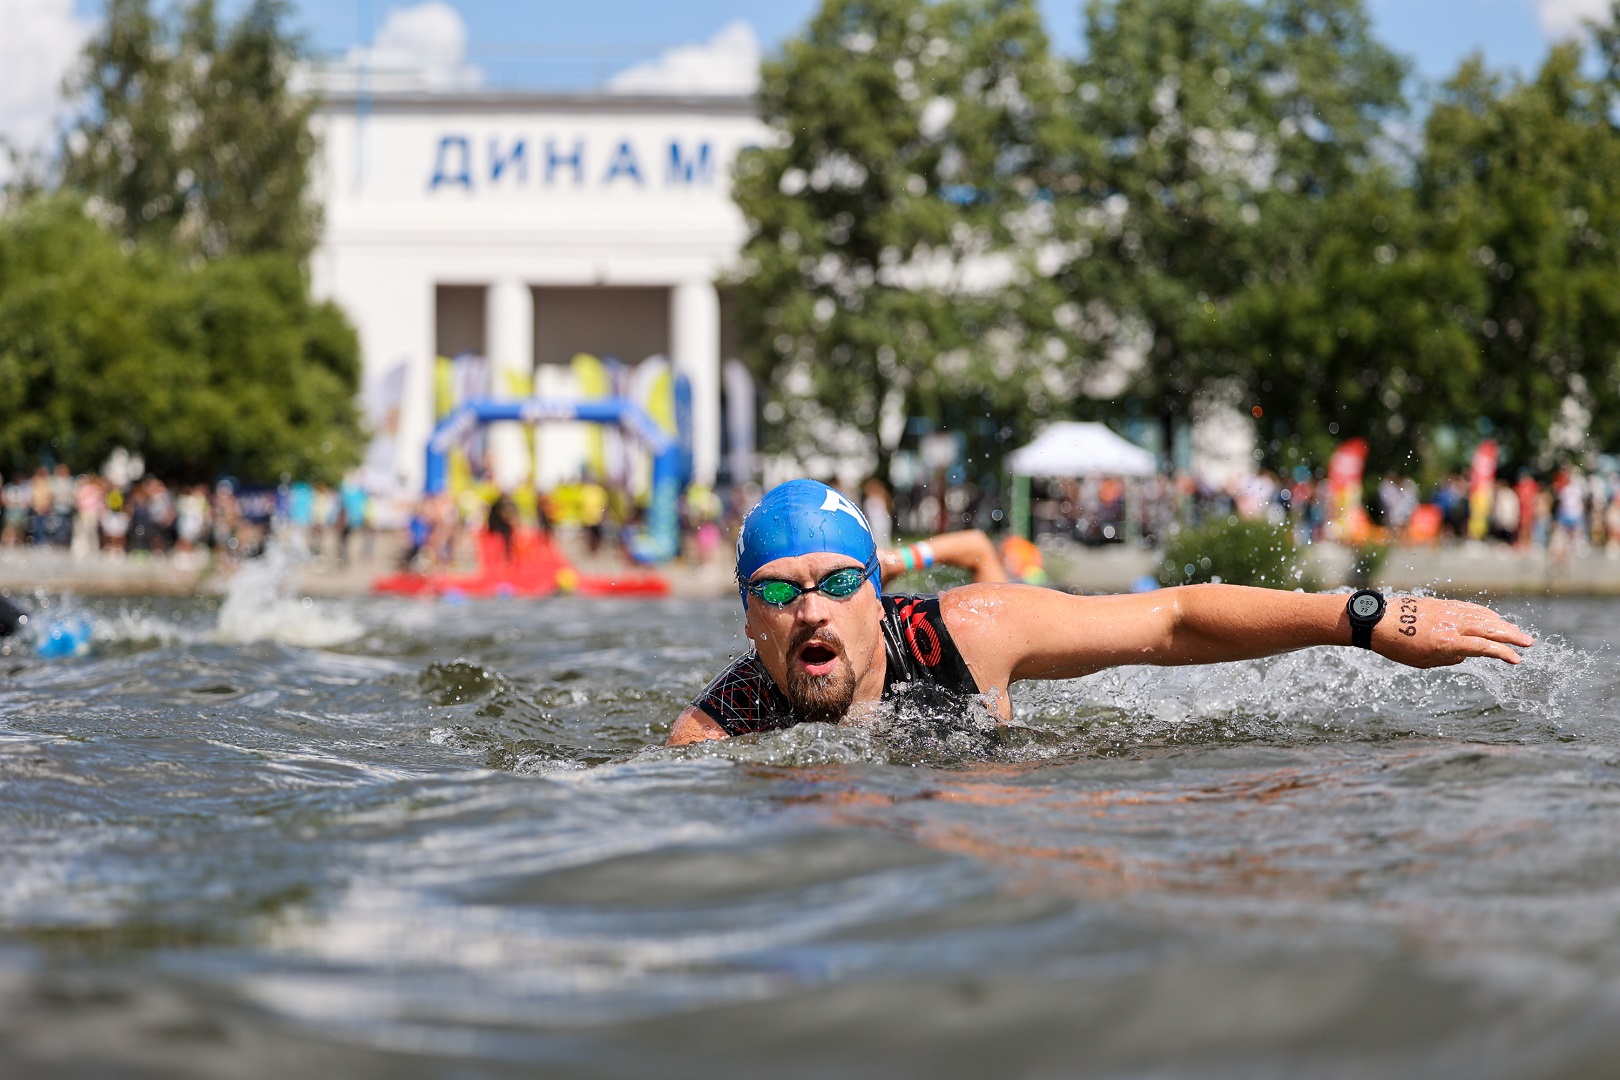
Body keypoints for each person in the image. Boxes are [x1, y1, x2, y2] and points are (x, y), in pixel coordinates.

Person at [666, 479, 1534, 746]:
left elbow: (1169, 621)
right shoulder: (720, 728)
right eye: (780, 591)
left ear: (877, 587)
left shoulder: (968, 631)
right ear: (749, 618)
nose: (812, 610)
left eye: (838, 584)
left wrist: (1362, 615)